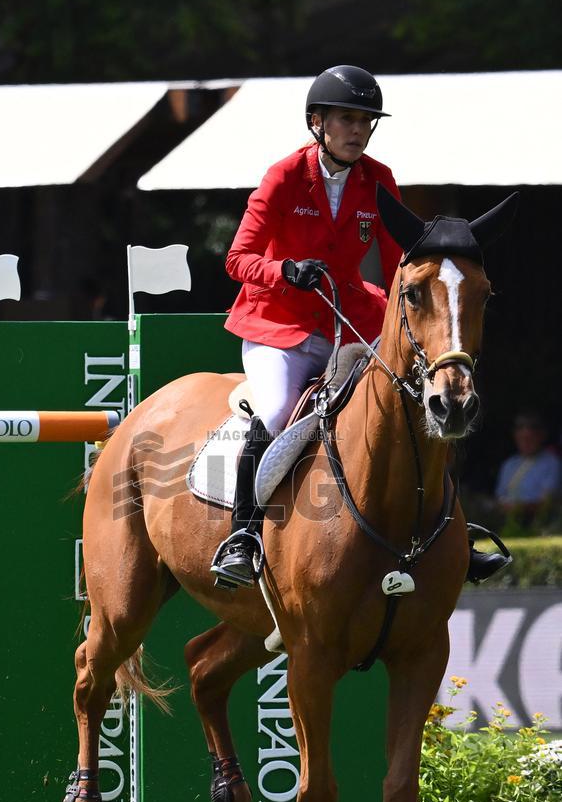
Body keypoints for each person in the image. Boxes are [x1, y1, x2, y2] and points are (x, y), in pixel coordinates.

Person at [210, 64, 507, 589]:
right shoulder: (284, 176)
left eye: (366, 121)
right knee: (276, 412)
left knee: (418, 402)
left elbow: (399, 267)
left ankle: (452, 534)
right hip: (279, 323)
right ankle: (243, 534)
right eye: (346, 119)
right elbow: (237, 259)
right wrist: (284, 270)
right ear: (317, 123)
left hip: (352, 318)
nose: (358, 130)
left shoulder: (378, 179)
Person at [495, 411, 561, 524]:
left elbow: (548, 503)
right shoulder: (509, 464)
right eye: (522, 437)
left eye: (530, 438)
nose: (526, 435)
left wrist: (518, 509)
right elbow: (499, 497)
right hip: (505, 522)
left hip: (539, 524)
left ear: (542, 435)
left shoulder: (552, 463)